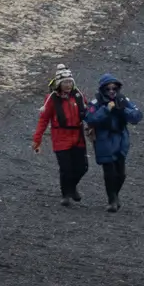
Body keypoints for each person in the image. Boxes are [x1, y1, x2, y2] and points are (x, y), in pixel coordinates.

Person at [83, 73, 142, 212]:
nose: (111, 91)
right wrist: (106, 109)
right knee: (109, 172)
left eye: (114, 89)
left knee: (121, 174)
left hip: (120, 139)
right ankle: (112, 200)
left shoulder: (123, 100)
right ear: (103, 89)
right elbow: (89, 118)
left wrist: (123, 109)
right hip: (104, 139)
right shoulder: (96, 102)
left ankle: (115, 195)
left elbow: (137, 117)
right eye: (108, 89)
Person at [31, 66, 89, 208]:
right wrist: (37, 139)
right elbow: (43, 119)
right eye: (65, 82)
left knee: (82, 167)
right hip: (60, 137)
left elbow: (88, 113)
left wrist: (95, 127)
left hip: (77, 136)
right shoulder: (51, 99)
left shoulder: (79, 96)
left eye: (70, 82)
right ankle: (66, 195)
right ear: (59, 84)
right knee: (66, 168)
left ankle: (71, 187)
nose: (68, 85)